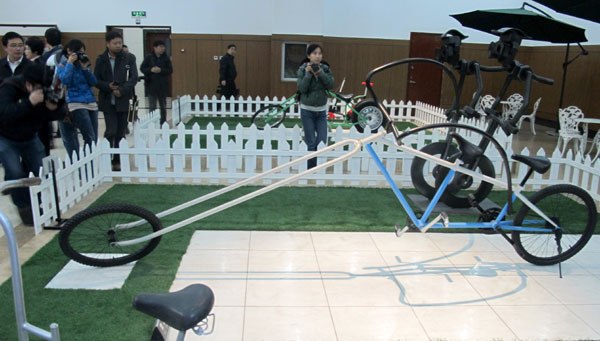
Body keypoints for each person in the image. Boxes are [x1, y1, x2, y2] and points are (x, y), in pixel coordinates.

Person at [0, 63, 65, 225]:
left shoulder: (46, 88)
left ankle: (40, 204)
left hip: (31, 136)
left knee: (40, 171)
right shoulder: (9, 87)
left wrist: (54, 108)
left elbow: (59, 113)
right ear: (28, 84)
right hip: (6, 137)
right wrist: (29, 102)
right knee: (16, 173)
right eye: (37, 87)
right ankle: (24, 208)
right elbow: (5, 114)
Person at [94, 30, 138, 171]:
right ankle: (107, 157)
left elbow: (133, 78)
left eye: (120, 43)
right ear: (108, 44)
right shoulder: (100, 59)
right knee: (111, 130)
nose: (118, 46)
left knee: (120, 132)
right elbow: (96, 80)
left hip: (123, 100)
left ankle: (117, 160)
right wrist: (108, 86)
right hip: (108, 100)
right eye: (115, 43)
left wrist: (122, 90)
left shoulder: (129, 58)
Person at [56, 39, 98, 161]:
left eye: (82, 53)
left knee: (93, 137)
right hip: (75, 102)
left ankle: (89, 161)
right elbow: (65, 80)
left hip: (90, 101)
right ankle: (84, 163)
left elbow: (93, 82)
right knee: (88, 135)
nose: (80, 55)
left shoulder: (83, 63)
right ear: (69, 51)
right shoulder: (63, 64)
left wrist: (85, 68)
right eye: (78, 53)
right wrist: (70, 63)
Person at [296, 44, 334, 169]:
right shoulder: (302, 69)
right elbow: (302, 88)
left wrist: (321, 73)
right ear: (309, 56)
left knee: (322, 140)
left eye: (319, 53)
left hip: (321, 111)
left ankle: (319, 167)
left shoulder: (325, 68)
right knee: (311, 141)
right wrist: (308, 74)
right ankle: (311, 168)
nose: (317, 56)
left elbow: (330, 85)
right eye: (314, 53)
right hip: (307, 111)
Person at [140, 40, 172, 125]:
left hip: (163, 85)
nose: (163, 49)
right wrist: (151, 70)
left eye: (163, 47)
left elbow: (170, 70)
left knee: (163, 106)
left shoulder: (165, 58)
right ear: (155, 47)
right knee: (152, 106)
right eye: (160, 47)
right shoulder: (149, 57)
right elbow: (142, 68)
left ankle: (163, 122)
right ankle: (151, 122)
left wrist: (161, 70)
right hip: (151, 85)